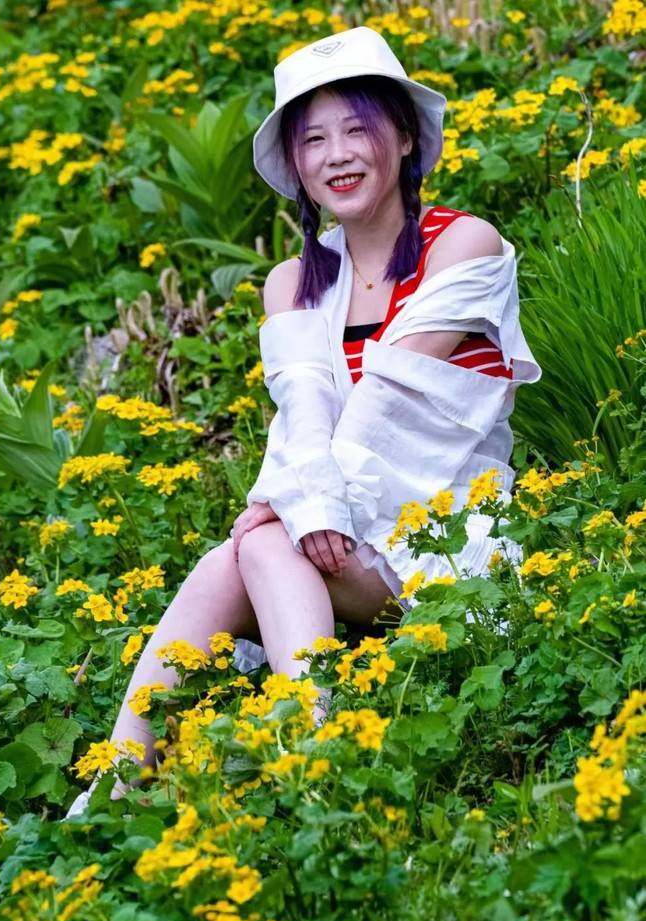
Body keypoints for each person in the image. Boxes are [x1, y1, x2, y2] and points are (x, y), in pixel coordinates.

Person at [65, 26, 540, 818]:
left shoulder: (464, 244)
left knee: (258, 539)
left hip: (446, 543)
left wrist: (290, 504)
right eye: (314, 139)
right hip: (340, 537)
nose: (338, 155)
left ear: (403, 138)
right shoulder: (293, 281)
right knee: (248, 548)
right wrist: (295, 505)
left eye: (357, 128)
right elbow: (306, 415)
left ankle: (299, 755)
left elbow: (385, 408)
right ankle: (131, 785)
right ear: (296, 163)